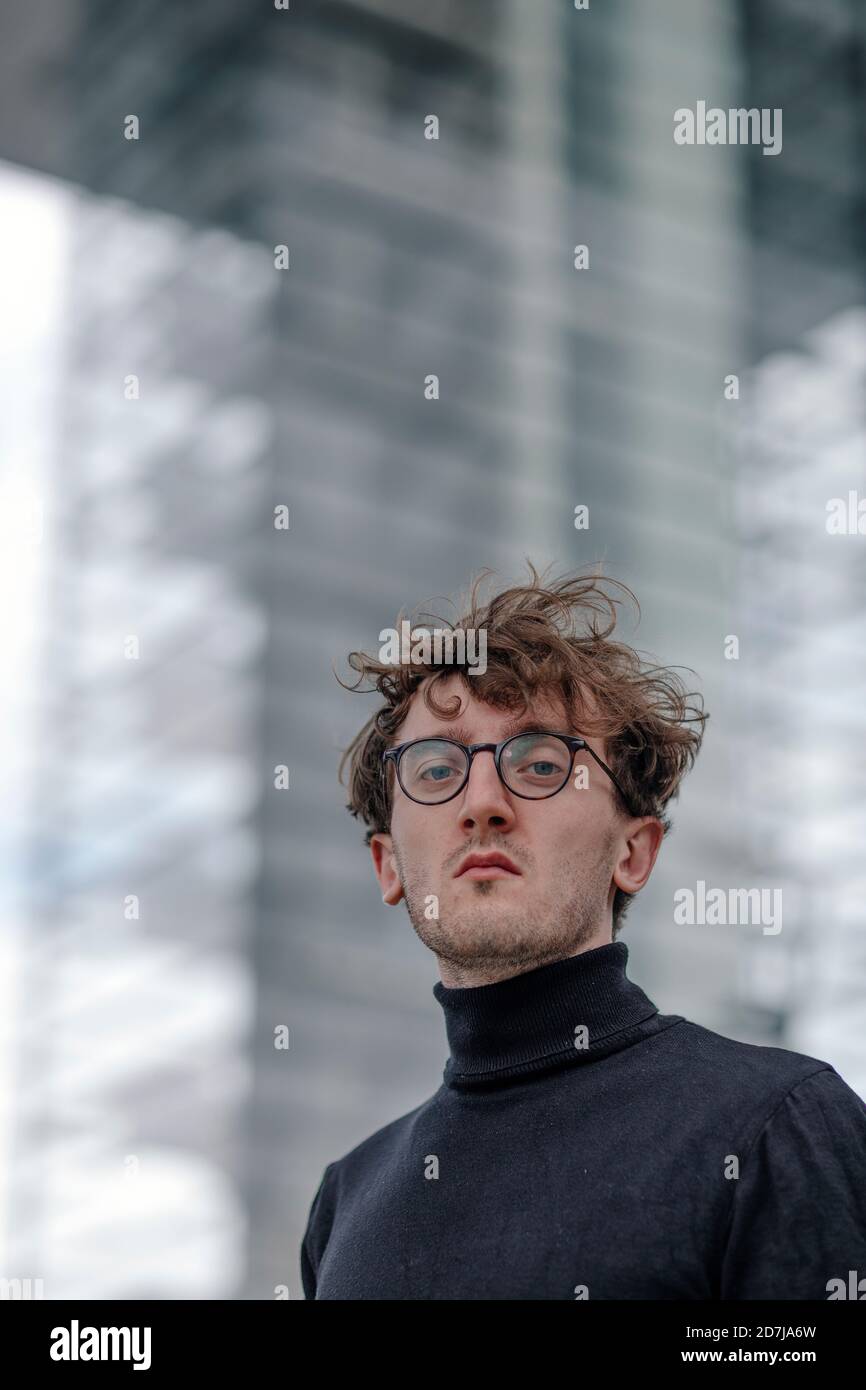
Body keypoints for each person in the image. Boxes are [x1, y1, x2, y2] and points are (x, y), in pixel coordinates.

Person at [300, 565, 866, 1300]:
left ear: (634, 852)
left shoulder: (776, 1125)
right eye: (436, 768)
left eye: (539, 763)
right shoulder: (346, 1202)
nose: (482, 803)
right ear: (388, 866)